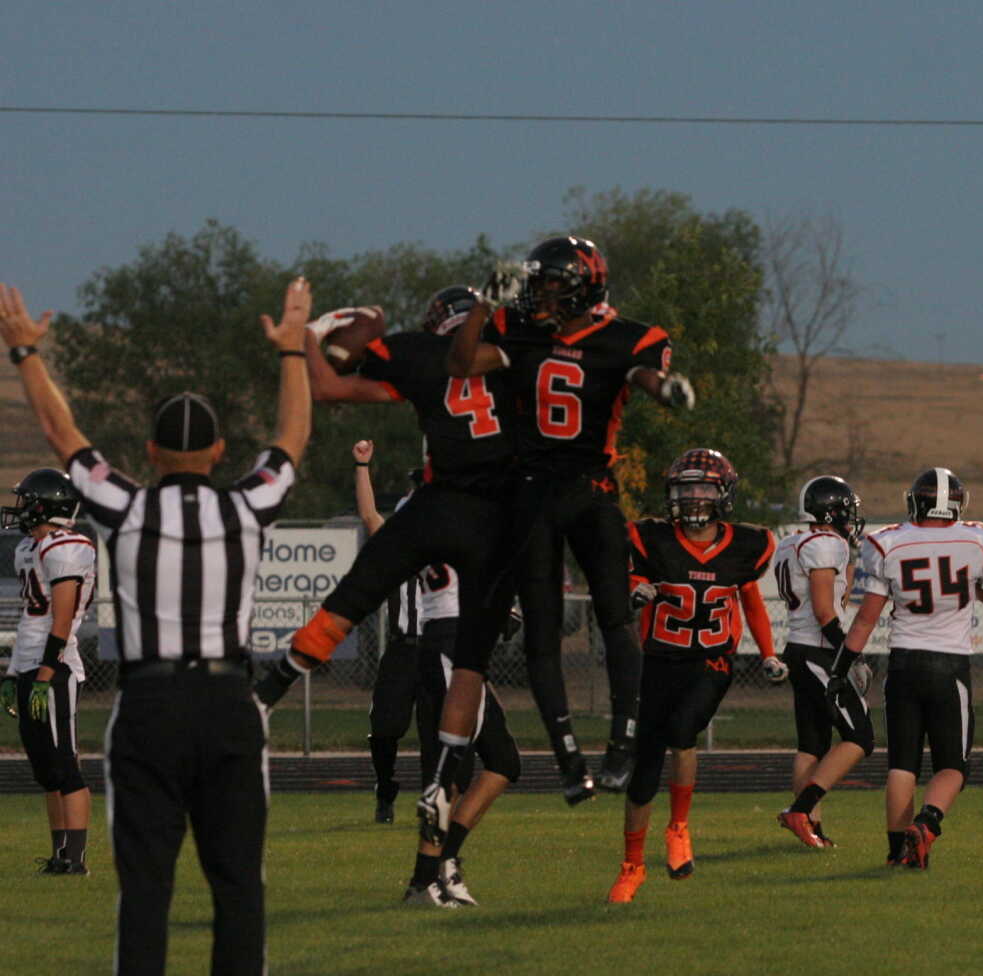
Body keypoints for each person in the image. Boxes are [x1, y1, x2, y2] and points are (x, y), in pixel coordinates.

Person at [3, 277, 311, 976]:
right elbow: (292, 441)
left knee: (146, 883)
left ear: (148, 452)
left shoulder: (127, 506)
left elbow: (61, 433)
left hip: (148, 705)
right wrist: (292, 353)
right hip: (229, 700)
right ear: (219, 452)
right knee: (237, 880)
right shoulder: (245, 506)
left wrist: (26, 352)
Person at [251, 287, 595, 804]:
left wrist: (309, 338)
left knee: (355, 594)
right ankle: (562, 762)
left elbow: (326, 388)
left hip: (439, 504)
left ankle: (269, 691)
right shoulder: (518, 355)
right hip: (498, 516)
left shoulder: (421, 356)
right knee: (488, 649)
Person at [426, 237, 697, 827]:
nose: (540, 296)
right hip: (530, 493)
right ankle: (568, 759)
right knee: (542, 632)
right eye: (538, 286)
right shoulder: (519, 332)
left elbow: (644, 374)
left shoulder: (625, 337)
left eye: (551, 285)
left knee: (615, 616)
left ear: (583, 287)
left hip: (591, 490)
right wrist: (482, 306)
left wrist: (666, 390)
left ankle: (623, 743)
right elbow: (460, 363)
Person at [606, 449, 783, 902]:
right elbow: (627, 581)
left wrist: (768, 653)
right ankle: (632, 867)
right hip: (660, 661)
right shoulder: (652, 538)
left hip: (712, 661)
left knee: (683, 732)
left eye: (703, 487)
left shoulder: (747, 544)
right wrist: (635, 591)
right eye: (685, 488)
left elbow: (751, 600)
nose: (693, 497)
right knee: (645, 772)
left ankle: (678, 828)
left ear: (724, 493)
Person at [824, 468, 983, 870]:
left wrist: (840, 669)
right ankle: (927, 823)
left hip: (903, 664)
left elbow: (865, 620)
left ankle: (896, 852)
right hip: (949, 666)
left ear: (916, 502)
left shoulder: (887, 543)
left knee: (902, 764)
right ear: (957, 504)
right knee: (952, 766)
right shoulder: (979, 540)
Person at [1, 468, 97, 873]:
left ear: (46, 505)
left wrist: (45, 671)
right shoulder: (29, 547)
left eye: (27, 500)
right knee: (45, 770)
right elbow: (31, 618)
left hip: (54, 666)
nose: (21, 507)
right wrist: (13, 672)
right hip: (29, 662)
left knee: (64, 764)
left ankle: (76, 859)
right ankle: (59, 854)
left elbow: (63, 617)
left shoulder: (68, 546)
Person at [774, 476, 873, 848]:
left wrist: (850, 559)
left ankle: (811, 827)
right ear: (831, 512)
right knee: (860, 737)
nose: (851, 517)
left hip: (798, 649)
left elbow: (838, 598)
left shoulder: (792, 542)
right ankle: (801, 810)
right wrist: (850, 655)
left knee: (812, 746)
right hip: (819, 652)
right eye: (847, 510)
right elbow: (824, 610)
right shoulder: (825, 544)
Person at [353, 445, 429, 824]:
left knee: (442, 731)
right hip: (403, 649)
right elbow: (370, 515)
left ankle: (436, 800)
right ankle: (385, 789)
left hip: (440, 649)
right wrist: (362, 465)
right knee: (383, 729)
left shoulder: (452, 544)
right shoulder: (397, 547)